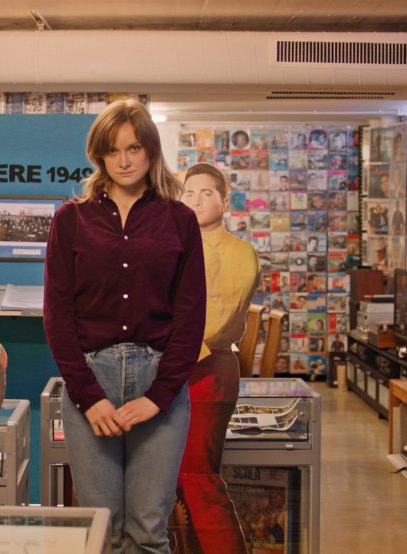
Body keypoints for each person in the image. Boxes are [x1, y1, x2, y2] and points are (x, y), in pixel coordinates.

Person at [44, 99, 205, 553]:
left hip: (160, 381)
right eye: (113, 151)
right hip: (91, 381)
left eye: (134, 148)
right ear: (100, 156)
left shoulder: (181, 221)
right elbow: (58, 316)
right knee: (101, 531)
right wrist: (88, 397)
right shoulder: (71, 220)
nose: (125, 160)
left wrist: (159, 397)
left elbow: (190, 317)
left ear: (151, 151)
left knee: (149, 529)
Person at [178, 162, 260, 553]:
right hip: (172, 373)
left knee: (198, 477)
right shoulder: (175, 244)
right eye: (188, 193)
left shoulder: (241, 253)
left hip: (206, 372)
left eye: (206, 193)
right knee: (175, 481)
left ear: (225, 201)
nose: (195, 201)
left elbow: (214, 323)